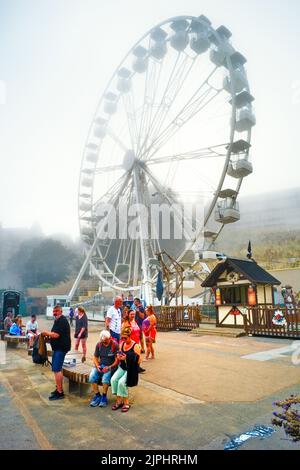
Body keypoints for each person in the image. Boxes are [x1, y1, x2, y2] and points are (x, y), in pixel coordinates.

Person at [41, 304, 71, 401]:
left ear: (61, 311)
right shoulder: (57, 321)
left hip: (61, 348)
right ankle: (58, 388)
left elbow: (56, 334)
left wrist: (46, 333)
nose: (54, 313)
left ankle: (60, 392)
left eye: (56, 311)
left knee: (57, 369)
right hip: (58, 348)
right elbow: (55, 334)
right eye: (53, 312)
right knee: (56, 369)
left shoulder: (62, 321)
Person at [110, 326, 141, 412]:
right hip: (122, 367)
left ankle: (126, 402)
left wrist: (127, 358)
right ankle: (119, 401)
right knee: (113, 380)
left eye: (125, 338)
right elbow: (119, 355)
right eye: (122, 337)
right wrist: (118, 357)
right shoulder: (122, 344)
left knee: (121, 383)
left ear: (130, 336)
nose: (123, 339)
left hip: (130, 369)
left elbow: (139, 361)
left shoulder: (135, 346)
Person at [88, 330, 119, 408]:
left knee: (105, 378)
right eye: (102, 341)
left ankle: (104, 396)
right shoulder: (99, 345)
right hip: (101, 365)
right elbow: (95, 357)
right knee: (92, 377)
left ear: (110, 338)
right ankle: (97, 395)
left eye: (105, 341)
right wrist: (97, 365)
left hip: (111, 366)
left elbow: (117, 360)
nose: (103, 343)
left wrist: (109, 367)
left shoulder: (114, 345)